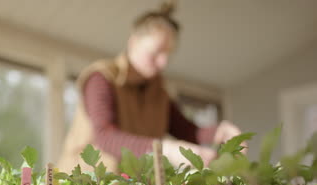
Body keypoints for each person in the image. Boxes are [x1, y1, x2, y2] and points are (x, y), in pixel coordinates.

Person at [57, 2, 242, 173]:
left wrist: (218, 132)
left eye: (168, 55)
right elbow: (105, 137)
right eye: (156, 52)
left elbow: (186, 130)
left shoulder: (159, 94)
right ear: (133, 42)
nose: (163, 63)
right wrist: (165, 150)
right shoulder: (101, 79)